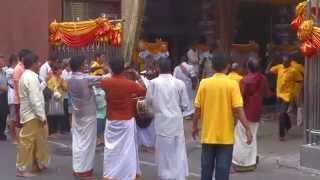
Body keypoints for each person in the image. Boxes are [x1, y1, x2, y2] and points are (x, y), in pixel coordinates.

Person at [192, 53, 253, 180]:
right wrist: (247, 128)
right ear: (227, 67)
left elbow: (197, 109)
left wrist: (194, 126)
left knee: (206, 170)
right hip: (226, 137)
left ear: (213, 67)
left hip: (208, 135)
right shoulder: (232, 85)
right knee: (223, 172)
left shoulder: (204, 83)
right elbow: (239, 109)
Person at [101, 58, 146, 180]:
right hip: (127, 121)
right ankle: (126, 175)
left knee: (111, 151)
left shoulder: (106, 82)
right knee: (127, 151)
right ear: (124, 69)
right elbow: (144, 91)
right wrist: (138, 77)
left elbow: (102, 82)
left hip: (111, 120)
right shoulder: (131, 84)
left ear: (111, 69)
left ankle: (110, 175)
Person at [148, 58, 189, 179]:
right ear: (171, 68)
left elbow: (148, 101)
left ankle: (166, 176)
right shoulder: (179, 83)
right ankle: (179, 175)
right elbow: (185, 105)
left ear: (158, 68)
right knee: (178, 150)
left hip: (161, 122)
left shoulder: (154, 83)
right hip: (176, 122)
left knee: (164, 152)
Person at [232, 58, 270, 171]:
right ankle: (251, 162)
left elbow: (240, 100)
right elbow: (267, 94)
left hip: (245, 112)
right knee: (252, 135)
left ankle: (241, 163)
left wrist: (236, 113)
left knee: (240, 137)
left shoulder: (244, 81)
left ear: (248, 67)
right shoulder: (263, 78)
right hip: (257, 112)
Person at [67, 56, 101, 178]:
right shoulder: (86, 78)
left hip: (77, 114)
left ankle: (78, 169)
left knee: (77, 142)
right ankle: (84, 171)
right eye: (85, 64)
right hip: (88, 114)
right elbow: (103, 80)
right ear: (81, 65)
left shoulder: (68, 78)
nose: (86, 66)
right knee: (87, 143)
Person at [16, 53, 50, 177]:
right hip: (32, 115)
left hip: (32, 114)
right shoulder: (30, 77)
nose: (39, 64)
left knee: (37, 140)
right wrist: (41, 116)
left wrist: (45, 82)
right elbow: (35, 99)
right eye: (38, 62)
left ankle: (36, 163)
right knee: (28, 141)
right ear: (34, 63)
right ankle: (21, 168)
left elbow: (36, 93)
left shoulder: (29, 76)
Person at [266, 55, 303, 141]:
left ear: (289, 62)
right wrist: (271, 62)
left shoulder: (293, 71)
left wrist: (295, 91)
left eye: (285, 62)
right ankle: (289, 125)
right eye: (283, 61)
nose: (283, 63)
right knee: (283, 113)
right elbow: (267, 72)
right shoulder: (279, 67)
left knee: (281, 114)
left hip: (287, 95)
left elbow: (300, 80)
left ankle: (281, 135)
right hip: (279, 95)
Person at [13, 49, 32, 130]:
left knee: (24, 121)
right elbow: (16, 84)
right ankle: (18, 140)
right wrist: (20, 98)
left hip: (25, 99)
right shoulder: (18, 68)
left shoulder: (24, 67)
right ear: (23, 58)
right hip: (20, 100)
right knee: (19, 122)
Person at [47, 63, 68, 137]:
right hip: (53, 100)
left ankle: (56, 131)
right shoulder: (52, 79)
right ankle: (51, 132)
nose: (61, 71)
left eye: (61, 69)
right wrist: (59, 85)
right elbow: (50, 88)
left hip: (60, 99)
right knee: (52, 116)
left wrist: (62, 84)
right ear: (55, 71)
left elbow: (66, 88)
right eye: (59, 69)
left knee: (57, 116)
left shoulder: (61, 79)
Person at [5, 54, 18, 143]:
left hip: (14, 95)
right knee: (13, 117)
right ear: (14, 61)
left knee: (13, 117)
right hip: (12, 95)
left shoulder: (11, 70)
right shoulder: (10, 70)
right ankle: (12, 136)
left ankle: (12, 134)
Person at [0, 55, 9, 141]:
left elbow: (7, 83)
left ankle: (2, 133)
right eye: (0, 61)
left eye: (3, 61)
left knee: (4, 114)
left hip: (3, 96)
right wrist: (5, 88)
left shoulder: (4, 72)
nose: (2, 63)